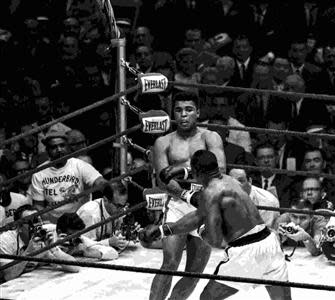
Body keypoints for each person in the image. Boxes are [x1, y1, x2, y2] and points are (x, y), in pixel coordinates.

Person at [140, 150, 291, 300]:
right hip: (270, 244)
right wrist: (164, 230)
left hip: (246, 252)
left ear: (197, 172)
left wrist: (201, 230)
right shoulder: (231, 181)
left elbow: (216, 241)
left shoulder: (210, 194)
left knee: (208, 297)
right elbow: (200, 212)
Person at [148, 92, 225, 300]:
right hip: (178, 203)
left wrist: (181, 171)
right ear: (173, 114)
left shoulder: (210, 137)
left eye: (189, 110)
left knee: (194, 271)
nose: (184, 115)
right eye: (179, 110)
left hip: (206, 203)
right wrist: (186, 194)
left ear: (198, 112)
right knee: (170, 263)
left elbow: (220, 169)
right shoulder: (163, 142)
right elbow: (163, 179)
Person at [28, 130, 107, 223]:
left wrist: (110, 190)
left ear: (68, 147)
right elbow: (38, 206)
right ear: (47, 151)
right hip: (53, 220)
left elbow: (100, 182)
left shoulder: (79, 165)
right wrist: (55, 222)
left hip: (81, 218)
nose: (59, 150)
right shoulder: (39, 173)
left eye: (62, 145)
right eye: (54, 147)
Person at [0, 205, 79, 282]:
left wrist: (53, 249)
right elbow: (8, 276)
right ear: (19, 227)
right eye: (30, 222)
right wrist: (28, 253)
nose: (35, 226)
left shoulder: (48, 233)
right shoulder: (5, 240)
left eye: (37, 220)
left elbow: (75, 267)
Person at [76, 182, 129, 251]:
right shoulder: (90, 214)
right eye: (118, 206)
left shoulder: (118, 209)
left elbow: (118, 233)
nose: (122, 210)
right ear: (105, 200)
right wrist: (108, 242)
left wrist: (128, 233)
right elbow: (84, 247)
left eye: (124, 205)